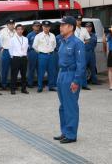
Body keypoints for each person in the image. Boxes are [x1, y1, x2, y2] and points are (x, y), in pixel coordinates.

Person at [54, 16, 85, 144]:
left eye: (63, 25)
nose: (61, 27)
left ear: (71, 27)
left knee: (70, 106)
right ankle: (65, 132)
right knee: (63, 107)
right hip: (61, 75)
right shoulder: (62, 41)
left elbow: (81, 64)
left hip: (71, 76)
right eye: (60, 25)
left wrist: (76, 81)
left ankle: (71, 135)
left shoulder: (77, 43)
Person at [33, 21, 57, 93]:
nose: (46, 28)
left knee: (52, 71)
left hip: (51, 55)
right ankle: (40, 87)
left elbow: (54, 45)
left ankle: (51, 86)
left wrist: (50, 50)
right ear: (42, 27)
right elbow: (34, 46)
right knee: (41, 72)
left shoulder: (52, 35)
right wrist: (41, 52)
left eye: (47, 27)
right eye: (44, 26)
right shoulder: (38, 36)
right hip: (42, 55)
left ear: (49, 27)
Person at [9, 24, 29, 95]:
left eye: (21, 29)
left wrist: (24, 55)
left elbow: (26, 48)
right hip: (15, 58)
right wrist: (13, 57)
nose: (20, 31)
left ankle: (23, 89)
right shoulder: (12, 39)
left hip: (23, 58)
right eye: (18, 29)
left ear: (23, 30)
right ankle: (12, 89)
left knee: (24, 74)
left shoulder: (26, 39)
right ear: (16, 30)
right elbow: (10, 49)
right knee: (14, 74)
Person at [75, 15, 91, 90]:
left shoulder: (84, 29)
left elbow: (88, 39)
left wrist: (83, 43)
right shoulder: (72, 28)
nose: (79, 21)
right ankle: (75, 84)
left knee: (82, 67)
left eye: (80, 20)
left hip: (81, 49)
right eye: (77, 20)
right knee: (74, 67)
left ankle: (84, 84)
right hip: (73, 49)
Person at [0, 19, 15, 90]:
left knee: (14, 69)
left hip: (15, 52)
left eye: (12, 24)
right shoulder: (2, 32)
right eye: (10, 24)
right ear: (7, 25)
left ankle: (12, 84)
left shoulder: (16, 32)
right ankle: (4, 84)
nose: (11, 25)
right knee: (5, 69)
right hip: (6, 51)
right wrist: (2, 48)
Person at [27, 21, 41, 88]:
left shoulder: (41, 34)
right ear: (33, 27)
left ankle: (39, 83)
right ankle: (30, 83)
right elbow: (26, 44)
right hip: (32, 53)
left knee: (40, 69)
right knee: (31, 68)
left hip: (40, 52)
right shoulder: (30, 35)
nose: (37, 27)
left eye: (38, 26)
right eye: (36, 26)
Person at [105, 26, 112, 90]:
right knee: (110, 69)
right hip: (111, 52)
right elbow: (105, 40)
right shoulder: (110, 33)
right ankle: (111, 85)